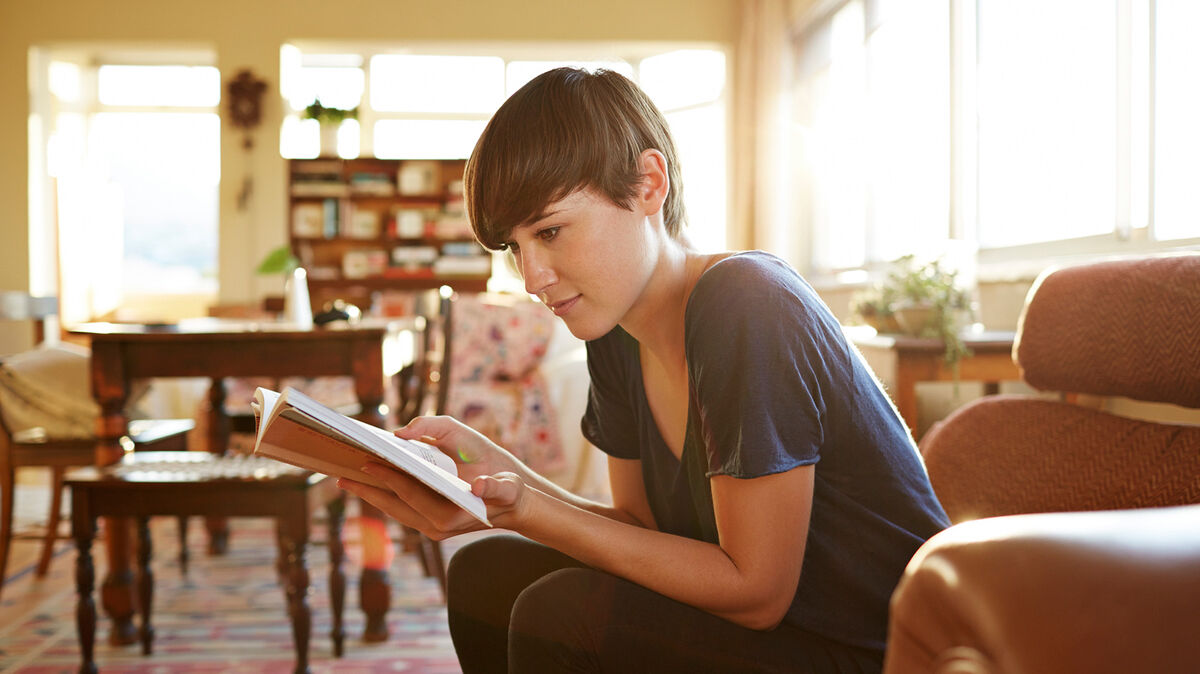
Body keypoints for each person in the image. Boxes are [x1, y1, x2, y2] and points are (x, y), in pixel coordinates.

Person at [337, 67, 950, 673]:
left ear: (648, 184)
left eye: (550, 231)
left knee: (562, 614)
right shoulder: (615, 331)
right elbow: (639, 532)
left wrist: (528, 510)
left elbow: (757, 592)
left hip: (882, 652)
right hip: (779, 637)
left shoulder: (747, 303)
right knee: (485, 573)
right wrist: (496, 482)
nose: (532, 278)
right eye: (517, 248)